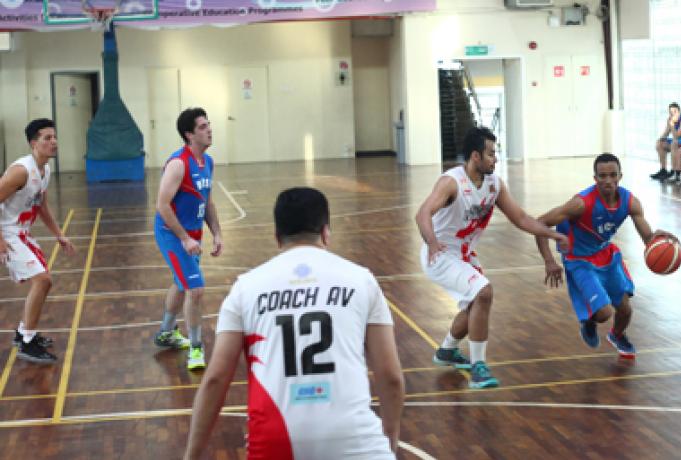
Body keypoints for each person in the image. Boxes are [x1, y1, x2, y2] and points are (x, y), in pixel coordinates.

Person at [184, 187, 403, 460]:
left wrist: (191, 456)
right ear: (326, 232)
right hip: (355, 440)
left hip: (276, 440)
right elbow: (391, 377)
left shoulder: (245, 288)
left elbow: (216, 379)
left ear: (277, 237)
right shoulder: (362, 280)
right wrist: (389, 440)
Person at [415, 126, 568, 389]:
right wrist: (431, 243)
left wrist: (551, 235)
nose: (495, 159)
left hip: (463, 255)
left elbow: (520, 218)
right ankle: (478, 368)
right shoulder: (452, 182)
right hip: (439, 253)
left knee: (476, 303)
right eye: (491, 154)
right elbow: (422, 214)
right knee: (483, 292)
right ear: (475, 156)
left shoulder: (494, 185)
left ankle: (447, 351)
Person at [535, 154, 678, 358]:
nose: (608, 181)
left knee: (626, 310)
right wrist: (549, 261)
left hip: (605, 255)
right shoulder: (580, 204)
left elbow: (647, 237)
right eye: (602, 176)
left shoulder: (630, 202)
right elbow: (540, 224)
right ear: (595, 178)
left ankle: (617, 335)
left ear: (620, 176)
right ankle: (589, 321)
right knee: (604, 313)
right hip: (579, 260)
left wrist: (657, 239)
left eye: (612, 175)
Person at [0, 118, 76, 363]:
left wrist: (59, 234)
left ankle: (24, 333)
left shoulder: (45, 170)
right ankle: (27, 341)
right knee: (42, 280)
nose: (53, 142)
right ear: (34, 143)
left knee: (44, 281)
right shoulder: (20, 171)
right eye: (47, 138)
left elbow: (40, 204)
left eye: (54, 137)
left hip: (21, 232)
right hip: (7, 232)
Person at [153, 108, 223, 370]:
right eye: (203, 127)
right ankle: (196, 347)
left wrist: (217, 232)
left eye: (209, 124)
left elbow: (207, 201)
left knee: (181, 283)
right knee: (196, 289)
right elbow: (162, 205)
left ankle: (166, 332)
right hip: (172, 233)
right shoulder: (179, 164)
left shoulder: (208, 162)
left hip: (193, 233)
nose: (209, 130)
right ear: (189, 134)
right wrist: (183, 238)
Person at [650, 102, 681, 180]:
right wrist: (660, 139)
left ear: (679, 111)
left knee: (674, 143)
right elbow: (666, 132)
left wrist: (672, 123)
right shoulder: (670, 119)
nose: (673, 114)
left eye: (675, 112)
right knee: (660, 144)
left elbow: (677, 135)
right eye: (671, 112)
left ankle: (673, 171)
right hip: (675, 142)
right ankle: (663, 170)